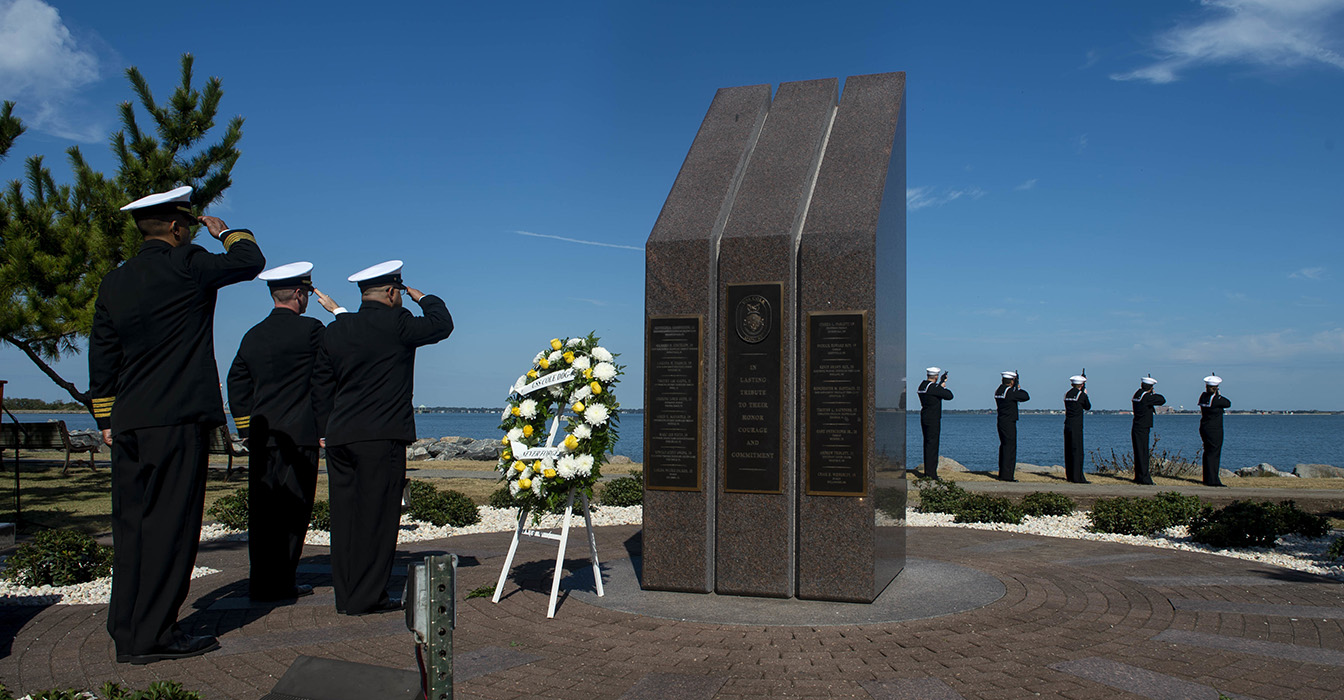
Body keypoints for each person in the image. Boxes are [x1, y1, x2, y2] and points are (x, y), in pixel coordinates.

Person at [88, 186, 264, 663]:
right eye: (187, 225)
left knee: (132, 527)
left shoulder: (114, 281)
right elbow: (250, 261)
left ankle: (126, 624)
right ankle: (154, 635)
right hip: (176, 417)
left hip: (128, 420)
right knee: (171, 526)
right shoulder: (188, 263)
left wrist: (105, 416)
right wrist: (225, 231)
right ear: (176, 226)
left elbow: (102, 356)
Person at [313, 260, 453, 615]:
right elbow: (442, 325)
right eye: (401, 292)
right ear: (392, 292)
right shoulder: (398, 323)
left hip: (341, 435)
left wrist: (323, 429)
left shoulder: (338, 329)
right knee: (378, 518)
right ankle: (368, 597)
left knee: (344, 520)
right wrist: (424, 297)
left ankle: (346, 595)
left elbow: (320, 385)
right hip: (381, 436)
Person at [227, 262, 344, 602]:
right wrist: (337, 311)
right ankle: (282, 582)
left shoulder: (253, 334)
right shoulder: (311, 330)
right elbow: (337, 356)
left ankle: (261, 581)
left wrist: (247, 429)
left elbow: (237, 381)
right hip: (299, 434)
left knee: (263, 512)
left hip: (263, 436)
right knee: (293, 512)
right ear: (298, 294)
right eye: (306, 293)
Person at [917, 367, 953, 479]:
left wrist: (940, 384)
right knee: (933, 445)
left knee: (927, 444)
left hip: (925, 416)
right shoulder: (933, 387)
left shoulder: (923, 386)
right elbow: (949, 396)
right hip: (933, 418)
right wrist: (942, 386)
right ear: (936, 376)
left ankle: (928, 471)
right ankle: (931, 473)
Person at [1131, 376, 1167, 485]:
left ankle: (1139, 475)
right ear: (1150, 387)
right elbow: (1162, 400)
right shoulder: (1146, 397)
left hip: (1137, 425)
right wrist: (1153, 394)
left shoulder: (1137, 394)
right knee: (1143, 452)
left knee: (1139, 452)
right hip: (1143, 427)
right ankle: (1144, 478)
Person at [994, 371, 1029, 481]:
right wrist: (1018, 388)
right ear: (1012, 381)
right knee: (1010, 448)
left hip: (1001, 420)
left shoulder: (999, 390)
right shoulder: (1009, 392)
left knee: (1004, 446)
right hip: (1009, 422)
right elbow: (1025, 396)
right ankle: (1007, 475)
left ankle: (1003, 473)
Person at [1198, 375, 1231, 487]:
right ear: (1216, 387)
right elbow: (1228, 403)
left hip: (1204, 427)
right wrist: (1219, 395)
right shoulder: (1217, 399)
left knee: (1207, 452)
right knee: (1214, 453)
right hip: (1214, 429)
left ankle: (1207, 477)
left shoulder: (1203, 396)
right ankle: (1213, 479)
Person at [1063, 375, 1091, 484]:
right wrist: (1085, 394)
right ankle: (1077, 477)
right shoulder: (1081, 395)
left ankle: (1070, 475)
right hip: (1076, 425)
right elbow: (1087, 406)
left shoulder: (1067, 394)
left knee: (1068, 450)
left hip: (1067, 424)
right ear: (1082, 384)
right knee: (1077, 451)